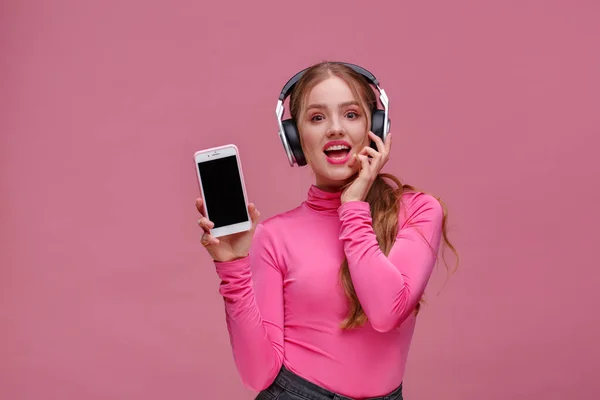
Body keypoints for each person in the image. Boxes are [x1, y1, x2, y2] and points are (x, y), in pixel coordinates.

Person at [195, 61, 458, 400]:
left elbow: (385, 312)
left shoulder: (418, 210)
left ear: (375, 126)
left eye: (351, 114)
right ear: (295, 139)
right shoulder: (274, 236)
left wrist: (352, 206)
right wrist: (233, 271)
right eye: (317, 118)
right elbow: (257, 374)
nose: (335, 129)